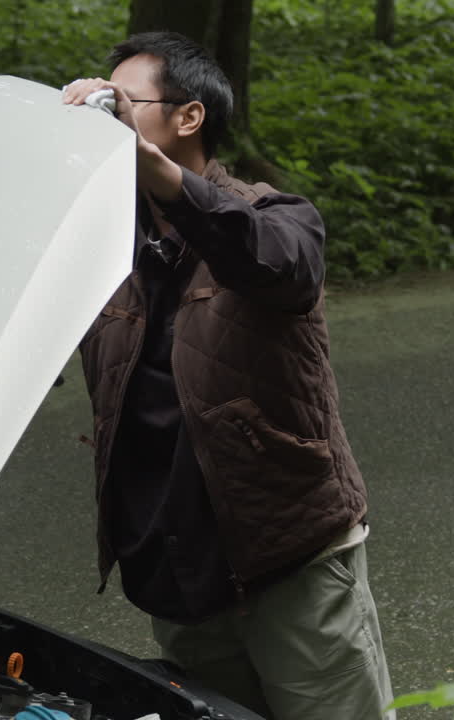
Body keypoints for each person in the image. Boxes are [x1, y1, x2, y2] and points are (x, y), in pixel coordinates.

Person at [62, 31, 394, 720]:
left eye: (123, 103)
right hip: (178, 574)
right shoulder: (97, 246)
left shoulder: (276, 216)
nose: (112, 119)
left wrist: (153, 171)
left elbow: (275, 262)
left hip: (288, 562)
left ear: (189, 117)